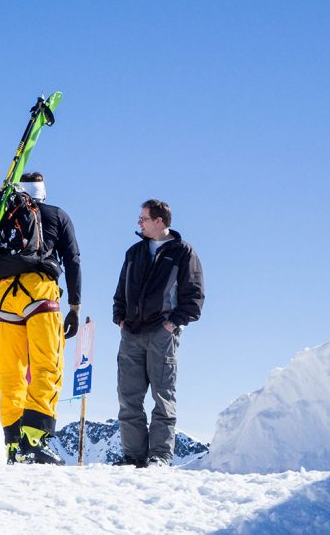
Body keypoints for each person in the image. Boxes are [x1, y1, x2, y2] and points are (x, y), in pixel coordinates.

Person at [0, 172, 81, 465]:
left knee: (11, 372)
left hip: (6, 296)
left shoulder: (3, 216)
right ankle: (33, 439)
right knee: (47, 363)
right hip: (40, 291)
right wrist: (75, 306)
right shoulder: (57, 215)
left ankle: (13, 443)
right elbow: (73, 259)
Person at [113, 199, 204, 468]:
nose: (139, 223)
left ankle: (160, 455)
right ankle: (133, 456)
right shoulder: (134, 252)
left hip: (162, 333)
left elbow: (194, 296)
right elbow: (120, 289)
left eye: (143, 218)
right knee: (128, 396)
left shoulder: (183, 252)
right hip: (131, 332)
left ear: (159, 220)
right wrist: (120, 317)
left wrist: (173, 324)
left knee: (162, 396)